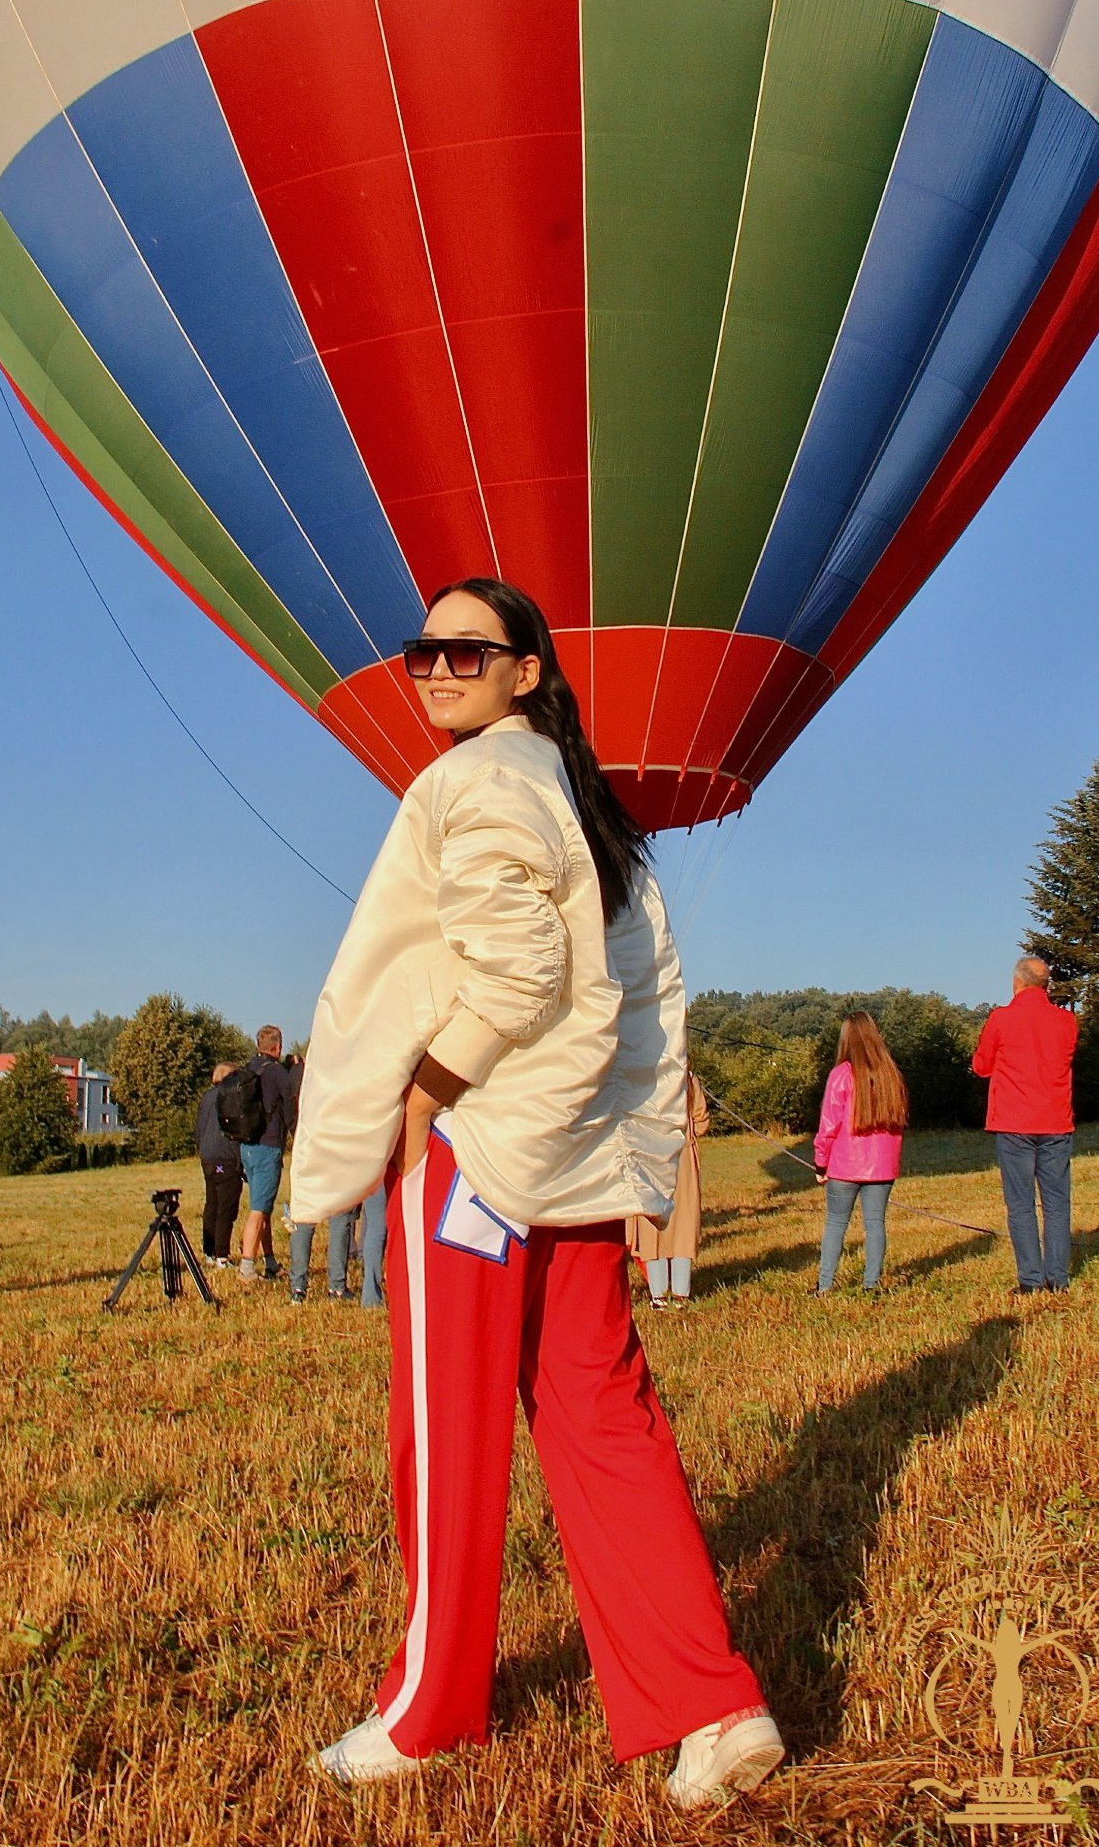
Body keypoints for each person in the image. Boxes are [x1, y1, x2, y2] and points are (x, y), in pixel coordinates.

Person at [290, 577, 782, 1810]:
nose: (441, 668)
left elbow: (517, 972)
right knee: (602, 1415)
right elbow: (627, 989)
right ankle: (712, 1704)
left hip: (474, 1142)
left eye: (472, 649)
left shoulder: (473, 783)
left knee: (444, 1432)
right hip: (566, 1150)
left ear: (527, 670)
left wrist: (422, 1095)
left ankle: (431, 1709)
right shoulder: (585, 799)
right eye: (425, 650)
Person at [971, 958, 1078, 1294]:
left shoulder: (1001, 1019)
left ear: (1017, 982)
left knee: (1020, 1203)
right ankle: (1057, 1278)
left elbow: (982, 1065)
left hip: (1015, 1121)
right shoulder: (1067, 1021)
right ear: (1045, 985)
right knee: (1057, 1203)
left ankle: (1031, 1280)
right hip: (1056, 1121)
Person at [813, 1013, 907, 1295]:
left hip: (844, 1165)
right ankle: (872, 1284)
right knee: (875, 1225)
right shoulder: (891, 1075)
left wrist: (820, 1163)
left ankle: (825, 1285)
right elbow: (899, 1125)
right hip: (882, 1166)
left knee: (835, 1224)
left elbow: (828, 1125)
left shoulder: (841, 1075)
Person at [628, 1069, 708, 1309]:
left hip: (649, 1155)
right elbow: (702, 1120)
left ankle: (658, 1295)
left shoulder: (640, 1074)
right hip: (682, 1155)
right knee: (681, 1224)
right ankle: (681, 1294)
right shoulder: (688, 1076)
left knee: (654, 1226)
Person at [236, 1024, 293, 1284]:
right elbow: (291, 1103)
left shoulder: (247, 1070)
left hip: (246, 1146)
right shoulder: (277, 1072)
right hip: (268, 1146)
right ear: (278, 1047)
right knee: (259, 1209)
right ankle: (246, 1267)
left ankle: (270, 1262)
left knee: (264, 1205)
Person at [194, 1060, 244, 1267]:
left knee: (211, 1204)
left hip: (207, 1158)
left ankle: (209, 1252)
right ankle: (222, 1255)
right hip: (225, 1157)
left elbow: (198, 1128)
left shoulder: (206, 1097)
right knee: (226, 1207)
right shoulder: (231, 1096)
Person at [356, 1182, 388, 1309]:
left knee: (374, 1226)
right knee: (378, 1228)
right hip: (385, 1171)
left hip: (369, 1171)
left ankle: (371, 1292)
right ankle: (371, 1294)